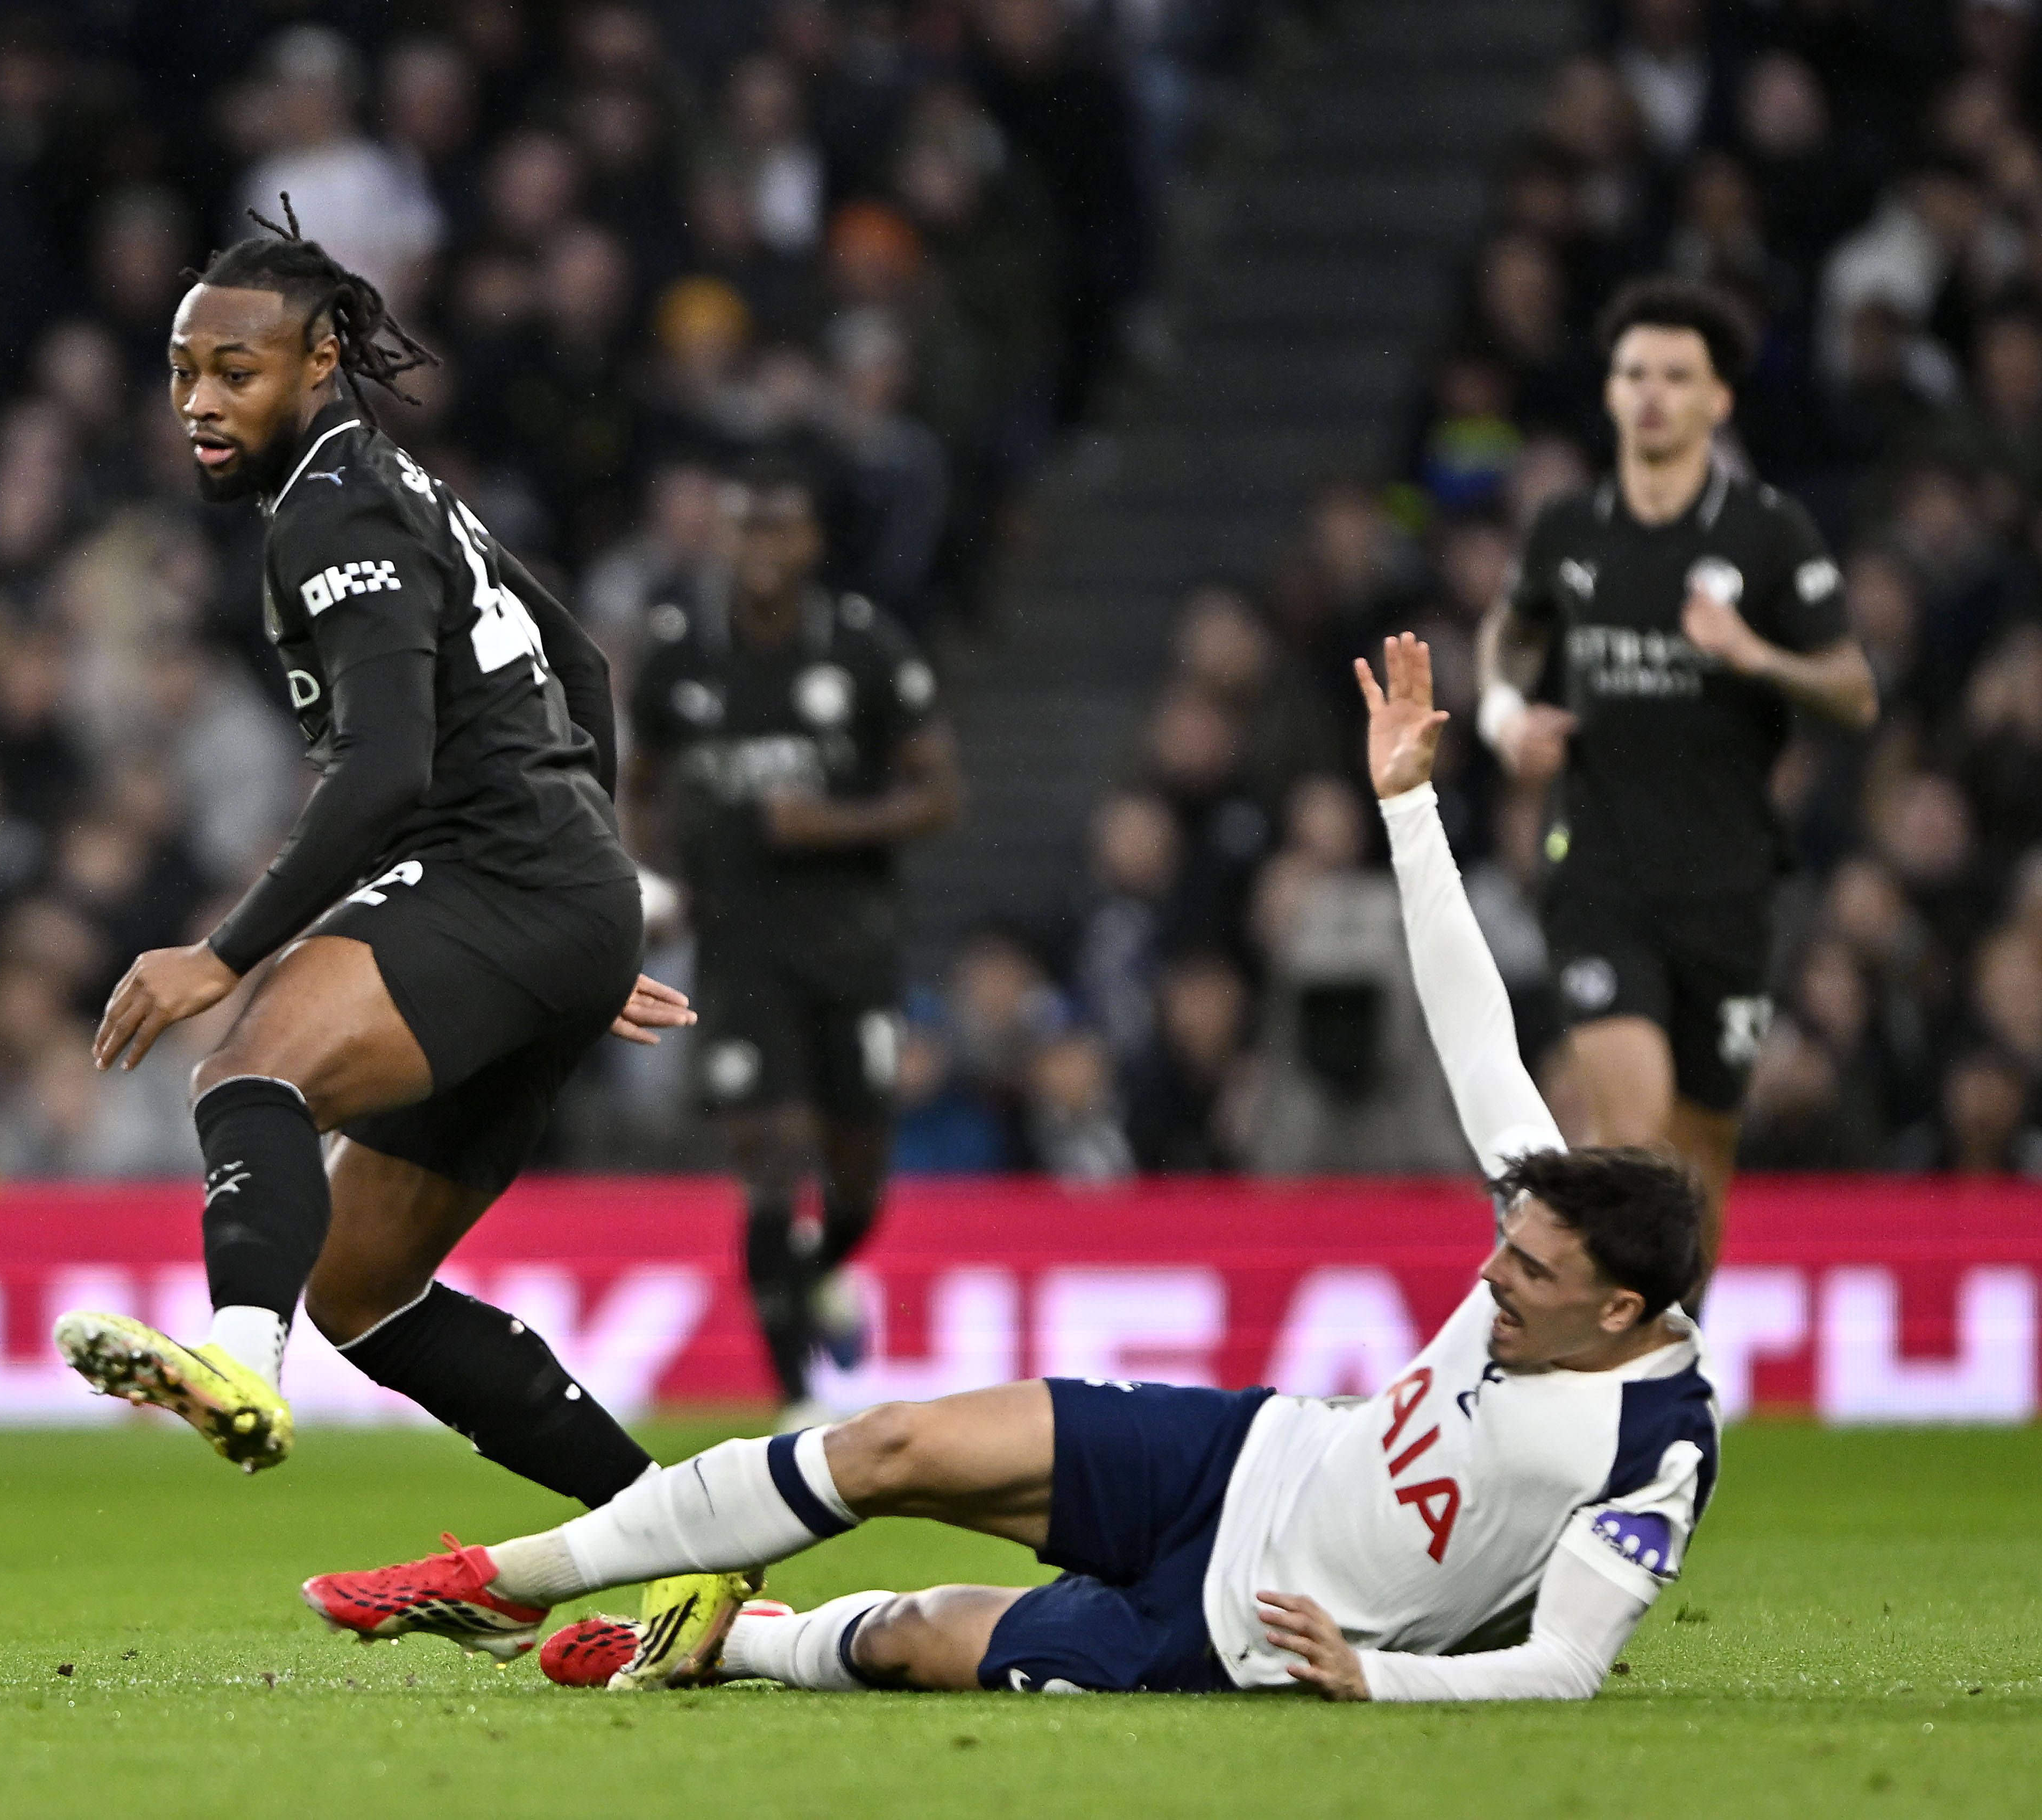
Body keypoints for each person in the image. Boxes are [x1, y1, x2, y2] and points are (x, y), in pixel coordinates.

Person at [304, 635, 1720, 1706]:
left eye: (1530, 1274)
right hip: (1251, 1453)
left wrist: (1378, 1677)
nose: (1493, 1270)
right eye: (1510, 1242)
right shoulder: (1562, 1221)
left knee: (919, 1637)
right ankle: (501, 1579)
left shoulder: (1653, 1453)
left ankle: (735, 1641)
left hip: (1244, 1631)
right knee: (895, 1446)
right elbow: (1476, 1031)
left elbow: (1568, 1668)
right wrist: (1410, 811)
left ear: (1622, 1313)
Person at [53, 201, 693, 1534]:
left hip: (498, 876)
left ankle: (238, 1356)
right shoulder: (392, 483)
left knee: (248, 1065)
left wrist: (222, 953)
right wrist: (601, 887)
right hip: (554, 895)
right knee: (358, 1284)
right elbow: (578, 661)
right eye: (183, 371)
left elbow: (387, 769)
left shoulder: (333, 510)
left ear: (319, 364)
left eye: (238, 371)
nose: (200, 402)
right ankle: (683, 1533)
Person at [1476, 279, 1875, 1286]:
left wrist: (1754, 654)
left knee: (1699, 1165)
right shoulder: (1568, 531)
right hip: (1599, 873)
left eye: (1676, 377)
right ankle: (1622, 1387)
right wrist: (1502, 712)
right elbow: (1513, 631)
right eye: (1633, 374)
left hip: (1727, 886)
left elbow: (1853, 692)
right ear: (1610, 394)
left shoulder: (1768, 536)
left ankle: (1675, 1363)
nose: (1651, 394)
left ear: (1718, 402)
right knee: (1636, 1132)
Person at [623, 470, 959, 1421]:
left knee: (857, 1175)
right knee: (768, 1153)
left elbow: (939, 795)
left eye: (783, 527)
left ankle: (821, 1271)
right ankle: (795, 1391)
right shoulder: (681, 652)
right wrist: (656, 879)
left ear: (813, 542)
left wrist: (831, 823)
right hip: (738, 944)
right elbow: (641, 783)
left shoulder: (860, 646)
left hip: (850, 942)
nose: (763, 547)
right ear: (724, 537)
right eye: (746, 528)